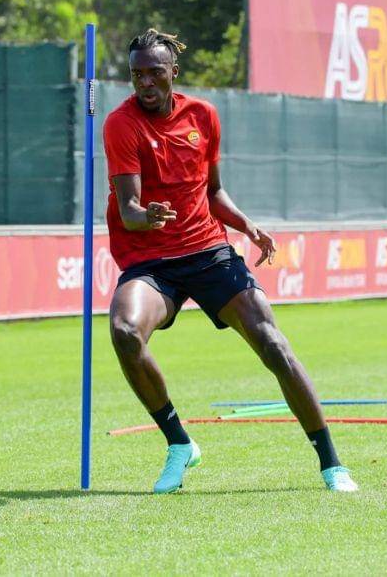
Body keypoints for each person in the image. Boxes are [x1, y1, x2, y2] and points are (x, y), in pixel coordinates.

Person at [103, 29, 358, 494]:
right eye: (137, 75)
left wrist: (247, 226)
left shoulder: (203, 115)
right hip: (151, 259)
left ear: (173, 72)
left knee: (273, 345)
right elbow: (129, 211)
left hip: (208, 252)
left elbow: (213, 191)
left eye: (155, 73)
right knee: (124, 331)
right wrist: (148, 216)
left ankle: (332, 464)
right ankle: (179, 443)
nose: (145, 83)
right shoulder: (121, 124)